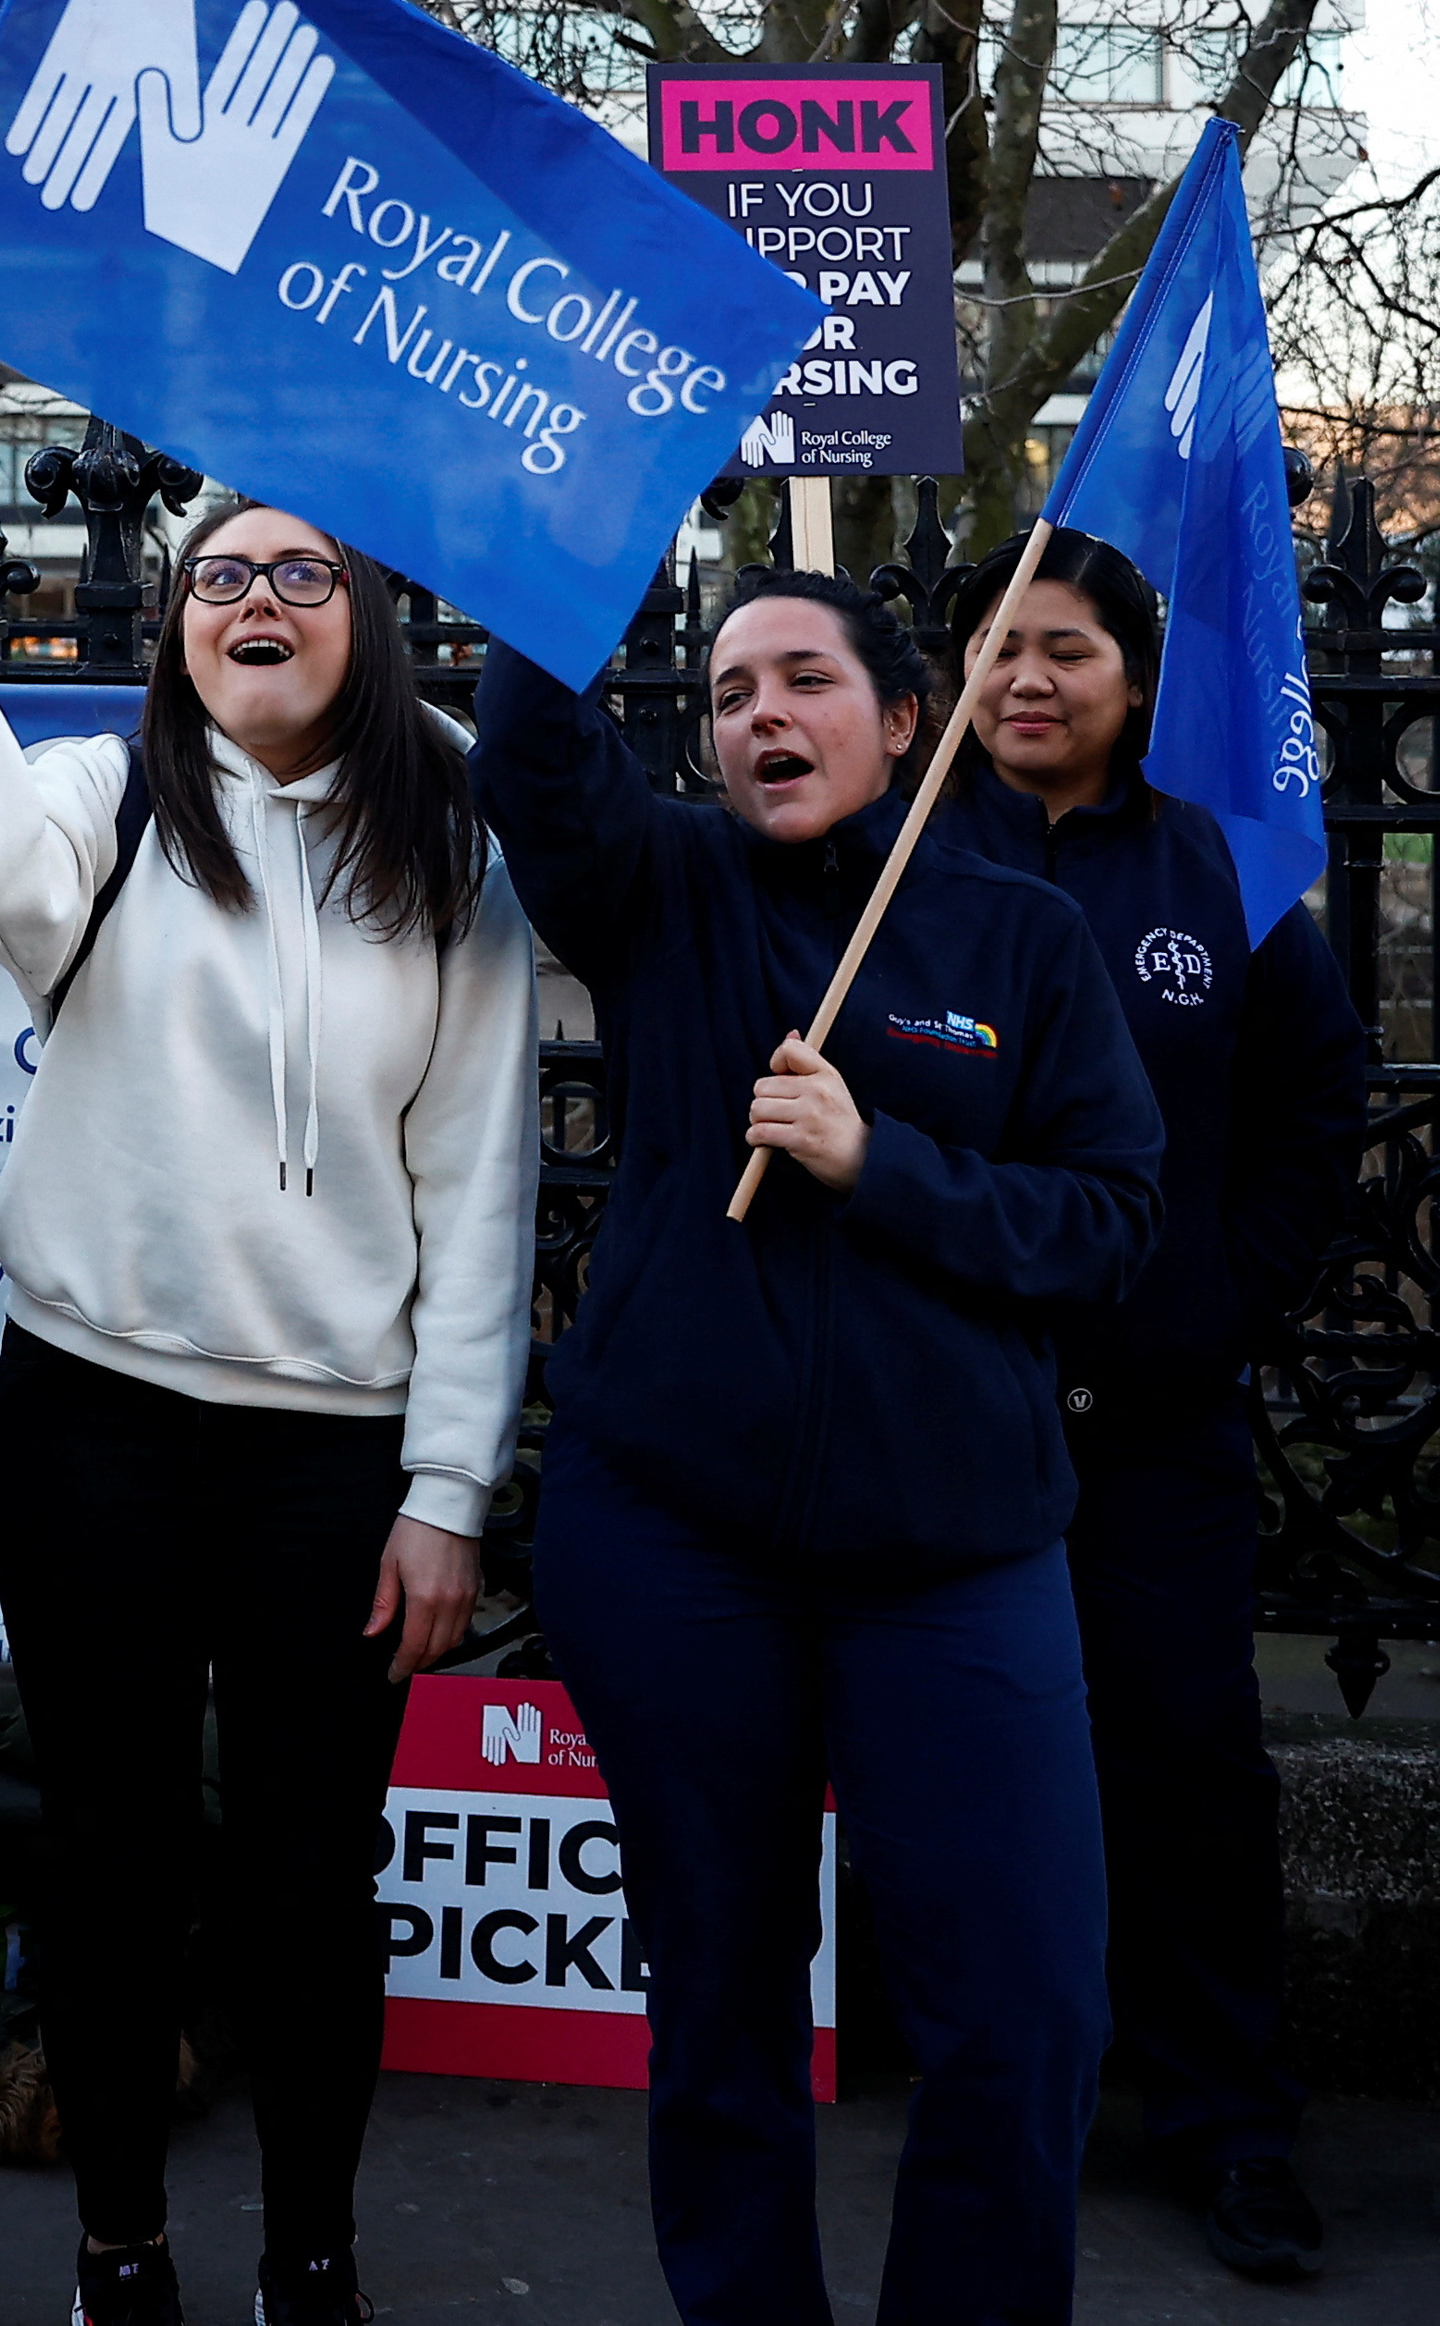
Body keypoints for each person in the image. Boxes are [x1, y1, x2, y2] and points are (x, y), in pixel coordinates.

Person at [0, 439, 537, 2326]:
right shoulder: (111, 793)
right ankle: (120, 2252)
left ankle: (311, 2259)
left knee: (316, 1882)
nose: (258, 599)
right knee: (116, 1863)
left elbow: (477, 1188)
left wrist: (447, 1489)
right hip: (96, 1428)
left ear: (370, 621)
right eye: (222, 573)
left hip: (335, 1457)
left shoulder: (454, 840)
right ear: (176, 625)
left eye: (304, 574)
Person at [473, 574, 1161, 2326]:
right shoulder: (669, 891)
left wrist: (884, 1164)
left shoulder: (1020, 939)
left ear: (905, 719)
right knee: (720, 2000)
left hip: (955, 1561)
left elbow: (1107, 1226)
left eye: (802, 679)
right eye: (725, 692)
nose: (759, 714)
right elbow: (542, 773)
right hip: (675, 1549)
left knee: (1024, 2015)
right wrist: (569, 547)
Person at [939, 536, 1369, 2282]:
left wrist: (1220, 1302)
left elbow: (1313, 1111)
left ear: (1132, 676)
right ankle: (994, 2100)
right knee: (960, 1763)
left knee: (1190, 1766)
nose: (1027, 678)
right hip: (948, 1406)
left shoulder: (1222, 870)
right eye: (996, 646)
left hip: (1156, 1415)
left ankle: (1229, 2121)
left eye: (1066, 649)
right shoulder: (897, 855)